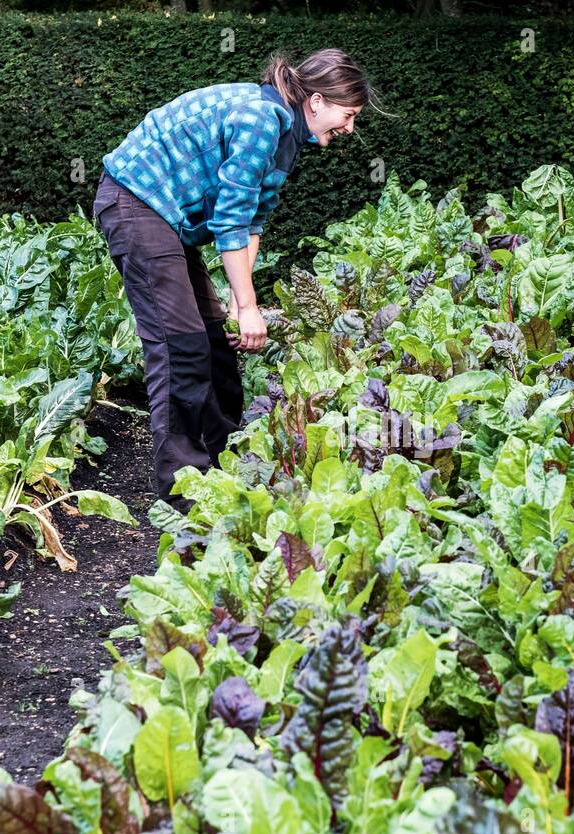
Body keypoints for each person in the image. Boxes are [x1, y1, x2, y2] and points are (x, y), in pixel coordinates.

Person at [92, 50, 375, 510]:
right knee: (179, 344)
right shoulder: (263, 118)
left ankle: (226, 460)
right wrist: (247, 307)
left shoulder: (286, 133)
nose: (348, 128)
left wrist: (240, 299)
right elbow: (230, 220)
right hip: (136, 202)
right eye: (348, 115)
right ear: (318, 101)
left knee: (212, 338)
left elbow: (253, 221)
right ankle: (183, 491)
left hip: (165, 216)